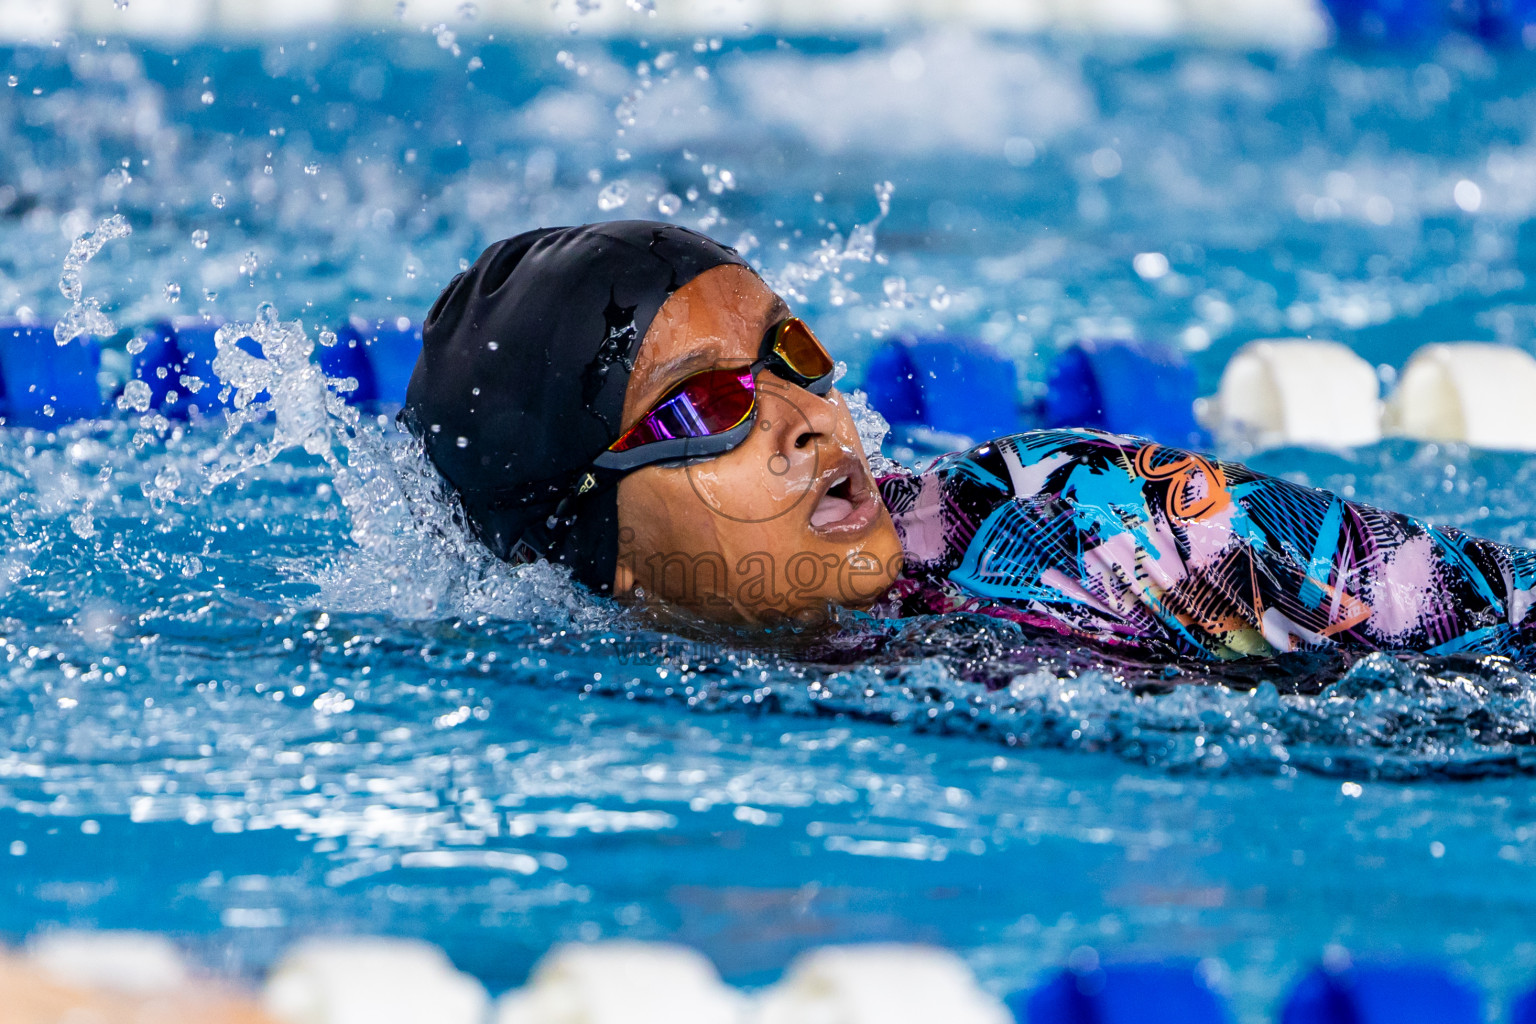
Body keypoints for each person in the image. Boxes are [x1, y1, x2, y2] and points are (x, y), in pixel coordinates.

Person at [404, 221, 1536, 662]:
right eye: (708, 408)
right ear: (594, 549)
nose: (809, 417)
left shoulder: (1082, 523)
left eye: (791, 351)